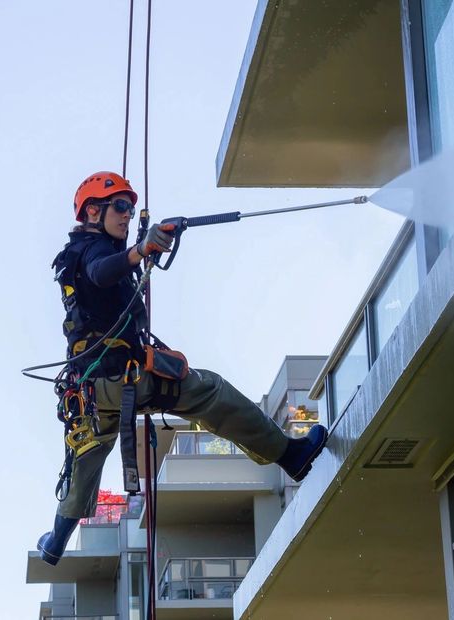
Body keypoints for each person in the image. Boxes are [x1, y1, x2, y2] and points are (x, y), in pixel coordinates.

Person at [36, 171, 327, 565]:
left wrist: (142, 249)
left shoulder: (80, 254)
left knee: (87, 455)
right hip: (122, 380)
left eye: (130, 207)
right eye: (119, 206)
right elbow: (101, 272)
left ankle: (56, 539)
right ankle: (290, 455)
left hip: (93, 391)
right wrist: (140, 250)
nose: (127, 214)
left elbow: (107, 275)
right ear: (92, 211)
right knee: (209, 391)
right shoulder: (92, 251)